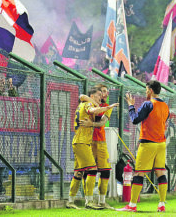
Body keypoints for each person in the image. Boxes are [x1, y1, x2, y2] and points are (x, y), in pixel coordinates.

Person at [118, 80, 169, 213]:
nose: (145, 92)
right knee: (161, 172)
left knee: (139, 173)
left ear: (150, 90)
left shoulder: (148, 104)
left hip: (148, 143)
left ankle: (132, 205)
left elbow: (135, 119)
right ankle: (162, 204)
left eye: (146, 89)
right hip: (161, 144)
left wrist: (130, 105)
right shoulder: (165, 106)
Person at [66, 87, 116, 210]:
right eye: (99, 93)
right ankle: (89, 201)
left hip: (82, 142)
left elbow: (100, 119)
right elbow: (92, 110)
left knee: (79, 171)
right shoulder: (88, 104)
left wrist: (104, 108)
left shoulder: (83, 103)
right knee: (92, 170)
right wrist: (106, 108)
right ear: (93, 95)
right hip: (82, 142)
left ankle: (71, 201)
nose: (102, 96)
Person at [79, 84, 114, 209]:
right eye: (102, 92)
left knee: (105, 171)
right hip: (88, 141)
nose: (105, 94)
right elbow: (81, 96)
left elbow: (102, 123)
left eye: (106, 92)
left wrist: (91, 124)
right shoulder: (90, 104)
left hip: (101, 142)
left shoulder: (107, 107)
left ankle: (102, 201)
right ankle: (88, 200)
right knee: (89, 171)